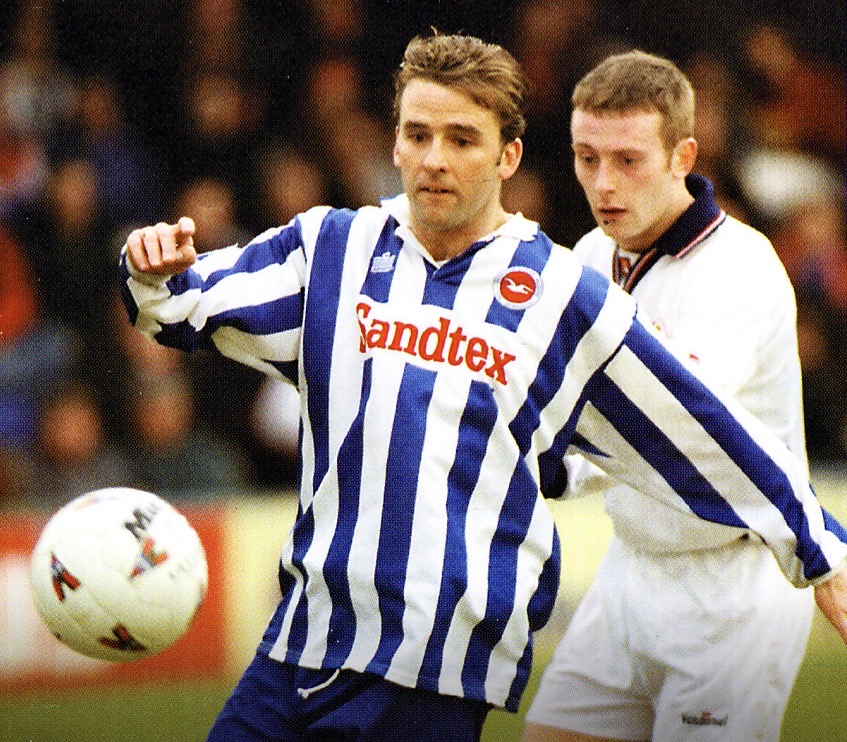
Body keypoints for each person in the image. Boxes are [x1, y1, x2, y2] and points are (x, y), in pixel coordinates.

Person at [119, 33, 847, 742]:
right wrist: (149, 267)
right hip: (301, 640)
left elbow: (695, 427)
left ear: (508, 157)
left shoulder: (561, 292)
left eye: (461, 139)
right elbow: (184, 303)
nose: (434, 158)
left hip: (431, 664)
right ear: (394, 144)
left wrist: (819, 547)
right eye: (417, 135)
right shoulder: (330, 249)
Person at [522, 50, 830, 742]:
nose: (603, 182)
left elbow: (666, 429)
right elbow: (570, 423)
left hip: (732, 583)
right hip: (629, 568)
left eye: (628, 159)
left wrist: (549, 449)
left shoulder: (738, 267)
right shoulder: (588, 257)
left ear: (681, 157)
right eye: (586, 158)